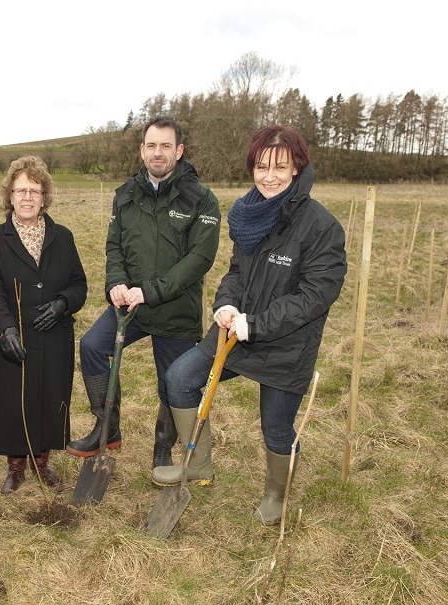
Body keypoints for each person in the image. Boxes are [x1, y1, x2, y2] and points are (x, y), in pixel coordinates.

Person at [155, 124, 347, 526]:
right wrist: (225, 305)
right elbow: (236, 272)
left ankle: (277, 494)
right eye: (261, 166)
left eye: (280, 166)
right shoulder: (249, 214)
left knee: (276, 428)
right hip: (235, 332)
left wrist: (255, 324)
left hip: (286, 343)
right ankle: (197, 466)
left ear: (296, 167)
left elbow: (314, 296)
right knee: (180, 378)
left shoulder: (321, 226)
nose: (269, 176)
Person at [66, 116, 221, 470]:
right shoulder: (126, 195)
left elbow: (199, 259)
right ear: (142, 150)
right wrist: (116, 284)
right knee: (91, 346)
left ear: (179, 151)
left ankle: (163, 448)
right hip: (130, 307)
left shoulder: (201, 199)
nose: (158, 153)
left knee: (174, 382)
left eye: (166, 146)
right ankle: (107, 426)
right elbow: (114, 248)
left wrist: (149, 291)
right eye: (151, 145)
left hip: (175, 309)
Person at [0, 156, 87, 494]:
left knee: (50, 397)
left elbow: (79, 284)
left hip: (54, 336)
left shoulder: (62, 237)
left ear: (44, 197)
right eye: (20, 190)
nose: (27, 197)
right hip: (12, 336)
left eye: (34, 191)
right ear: (9, 195)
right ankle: (16, 466)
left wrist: (63, 303)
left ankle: (41, 462)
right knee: (12, 398)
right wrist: (4, 327)